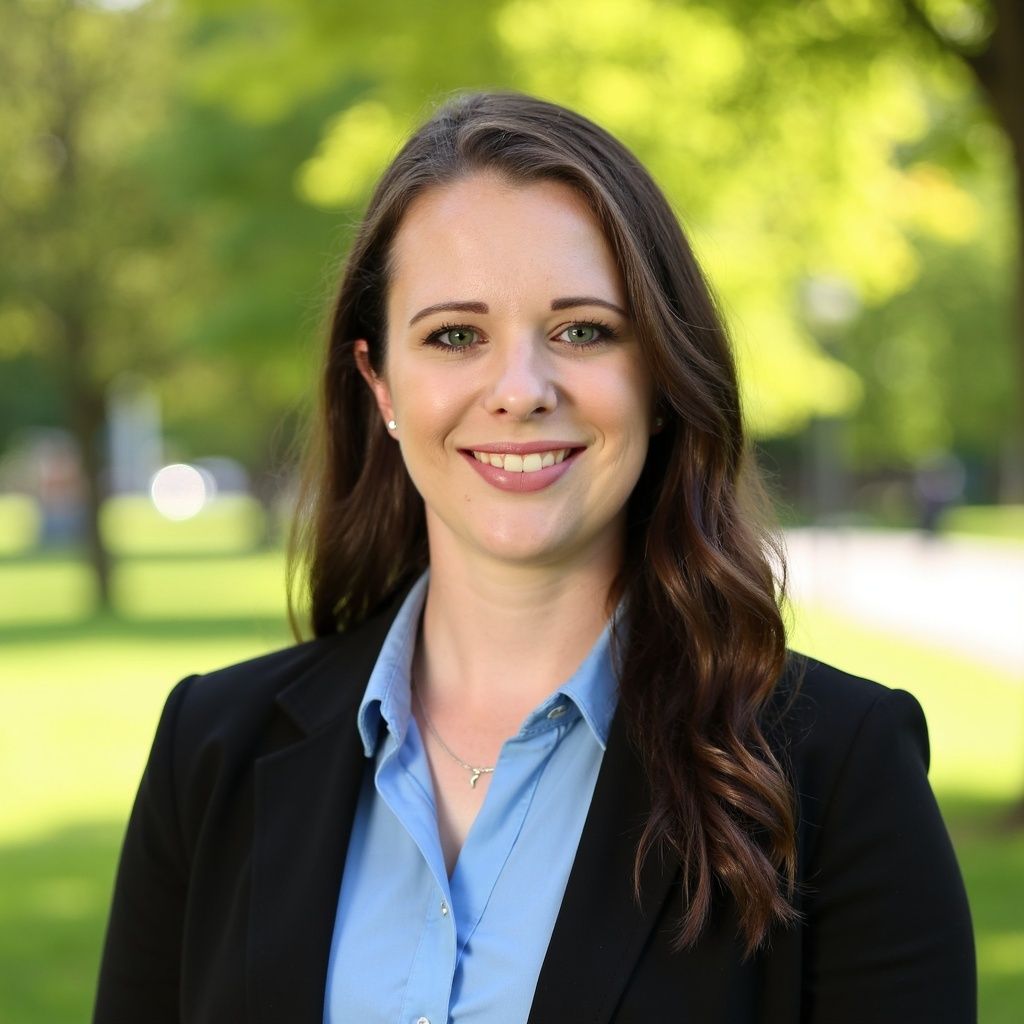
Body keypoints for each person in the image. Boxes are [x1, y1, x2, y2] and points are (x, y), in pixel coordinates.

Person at [93, 92, 975, 1024]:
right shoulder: (211, 748)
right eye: (455, 336)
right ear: (379, 383)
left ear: (661, 374)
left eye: (582, 330)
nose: (520, 391)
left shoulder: (835, 772)